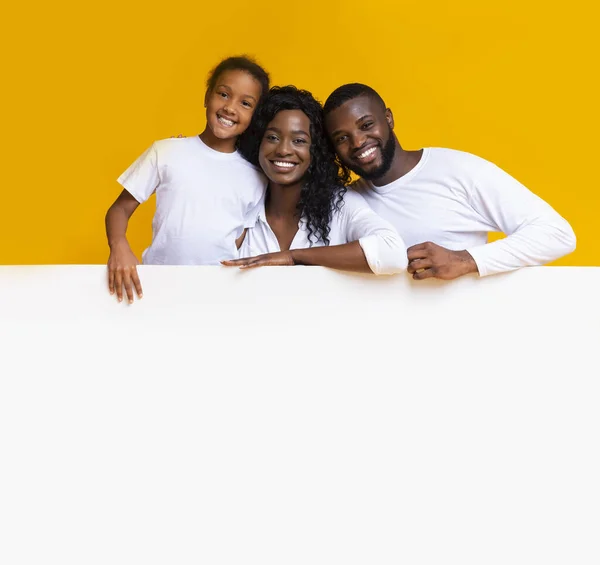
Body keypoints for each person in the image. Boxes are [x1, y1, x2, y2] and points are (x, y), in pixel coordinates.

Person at [323, 83, 577, 281]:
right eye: (342, 138)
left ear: (388, 118)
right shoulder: (347, 203)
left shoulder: (457, 170)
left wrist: (465, 260)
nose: (357, 142)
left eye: (366, 125)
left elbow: (557, 233)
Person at [105, 56, 270, 303]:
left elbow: (238, 240)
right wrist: (119, 247)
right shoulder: (167, 151)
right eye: (223, 94)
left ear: (254, 115)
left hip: (219, 294)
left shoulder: (256, 177)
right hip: (156, 285)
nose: (230, 108)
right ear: (207, 97)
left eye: (245, 103)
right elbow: (119, 209)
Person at [221, 86, 407, 275]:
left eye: (299, 141)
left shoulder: (340, 205)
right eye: (273, 137)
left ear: (316, 150)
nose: (283, 150)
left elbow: (392, 253)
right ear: (258, 143)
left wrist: (293, 257)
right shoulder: (243, 203)